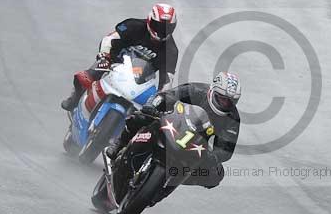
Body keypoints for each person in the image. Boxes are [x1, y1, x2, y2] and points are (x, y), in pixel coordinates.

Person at [104, 72, 242, 192]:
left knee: (216, 174)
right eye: (222, 98)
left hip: (195, 144)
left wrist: (214, 156)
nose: (224, 104)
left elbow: (226, 148)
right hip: (173, 123)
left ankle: (168, 184)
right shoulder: (196, 90)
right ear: (212, 91)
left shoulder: (232, 119)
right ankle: (119, 145)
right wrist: (152, 106)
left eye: (229, 102)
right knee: (140, 117)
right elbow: (167, 95)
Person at [60, 4, 178, 111]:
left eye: (167, 28)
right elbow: (109, 39)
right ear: (150, 20)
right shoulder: (133, 26)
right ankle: (75, 99)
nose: (161, 31)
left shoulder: (171, 51)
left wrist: (160, 98)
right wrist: (104, 57)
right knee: (85, 78)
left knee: (151, 113)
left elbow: (167, 81)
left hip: (140, 79)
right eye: (158, 26)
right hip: (112, 63)